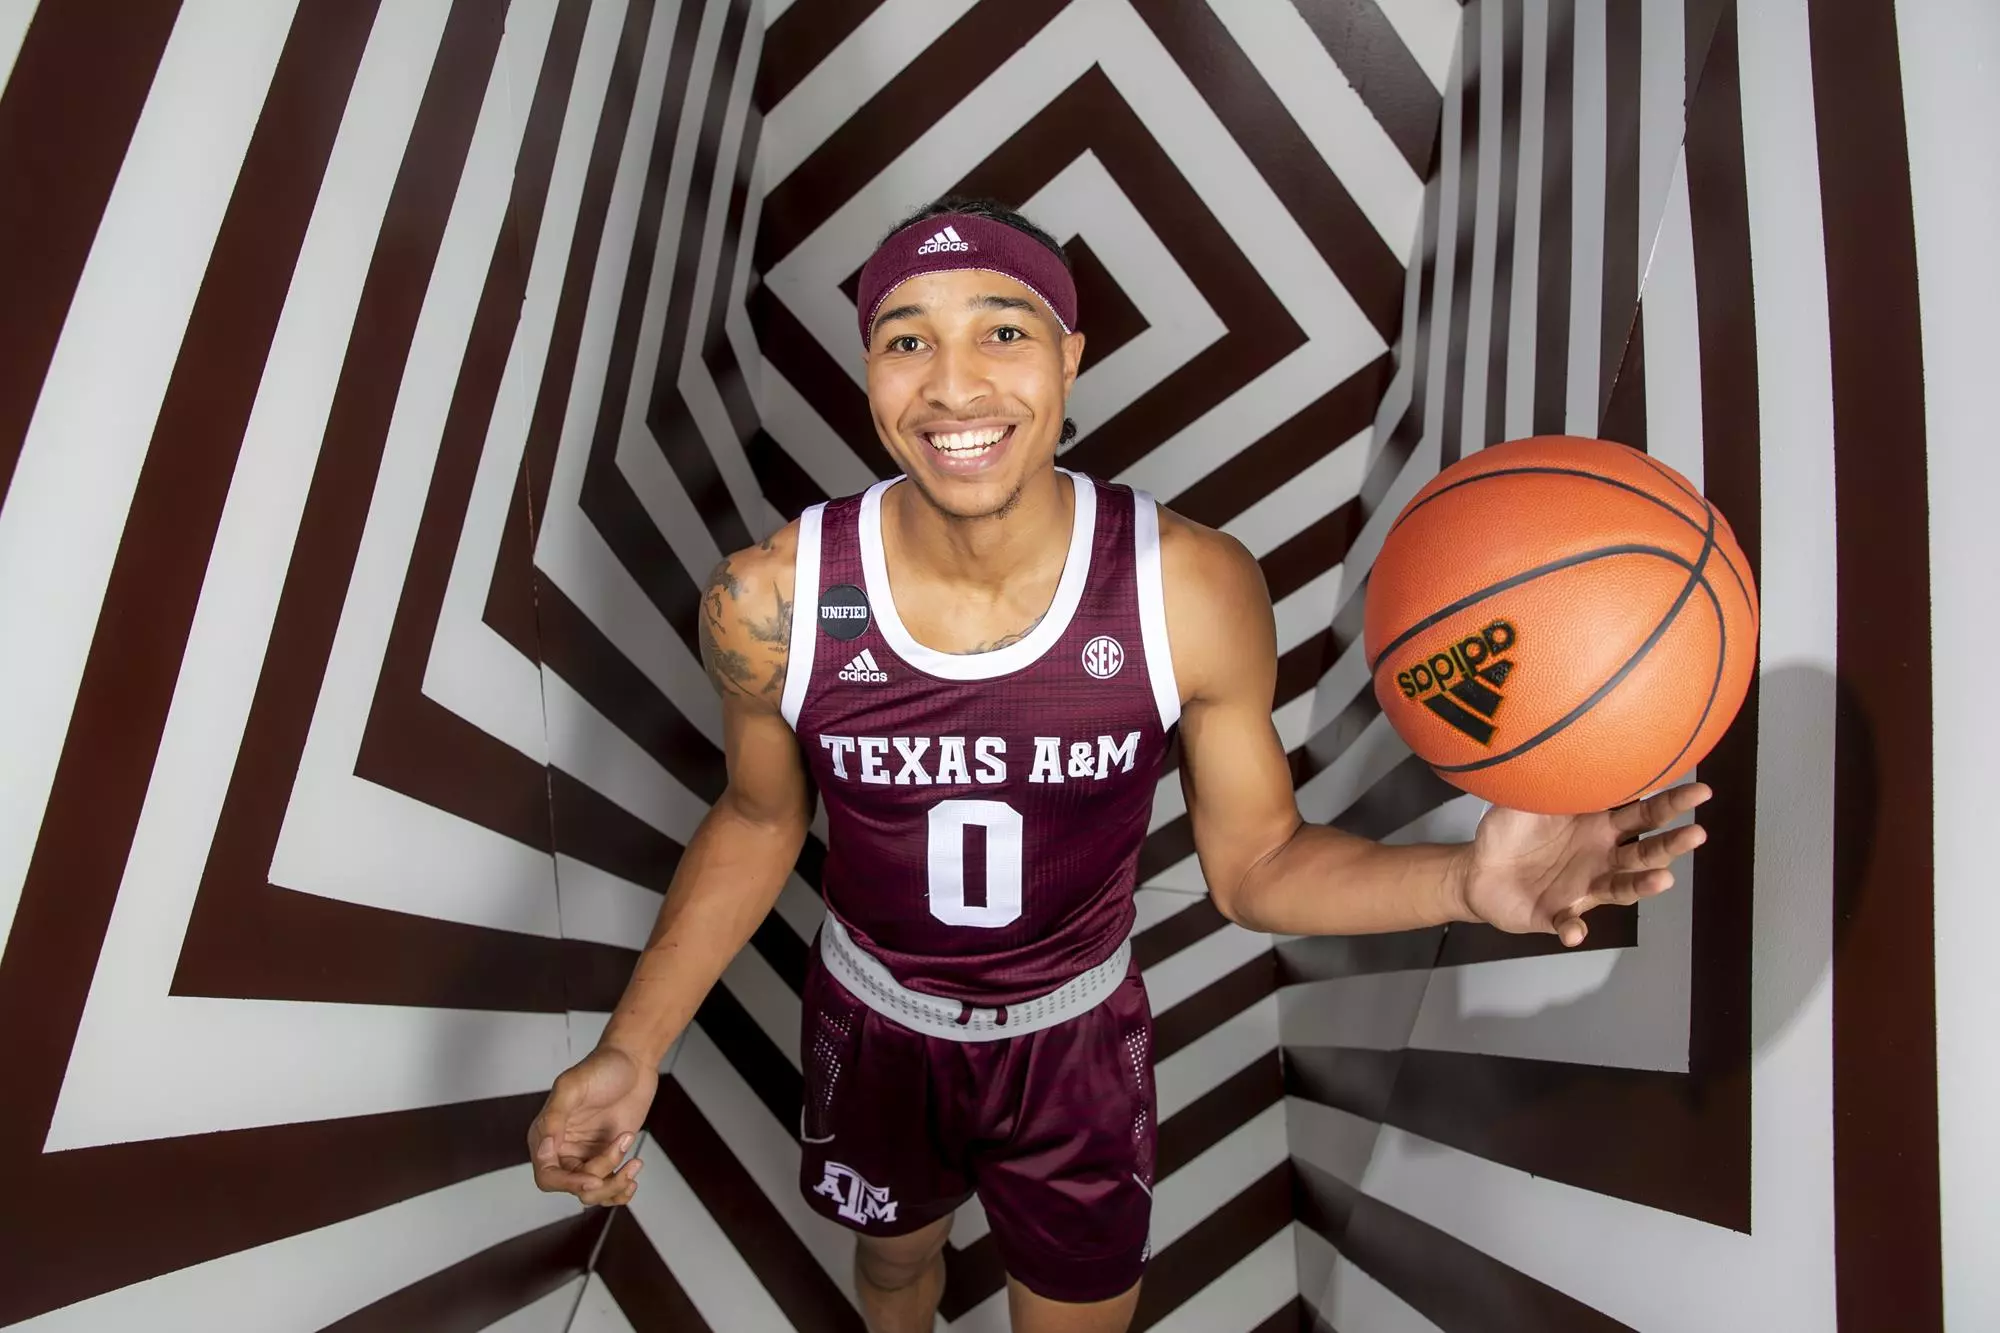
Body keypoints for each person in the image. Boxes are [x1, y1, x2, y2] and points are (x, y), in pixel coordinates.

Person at [526, 197, 1710, 1332]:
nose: (953, 384)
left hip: (1076, 1041)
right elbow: (754, 817)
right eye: (906, 340)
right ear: (868, 370)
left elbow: (1255, 868)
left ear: (1068, 354)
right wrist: (633, 1047)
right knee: (892, 1263)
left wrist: (1460, 885)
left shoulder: (1186, 588)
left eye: (1002, 329)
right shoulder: (769, 600)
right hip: (872, 1023)